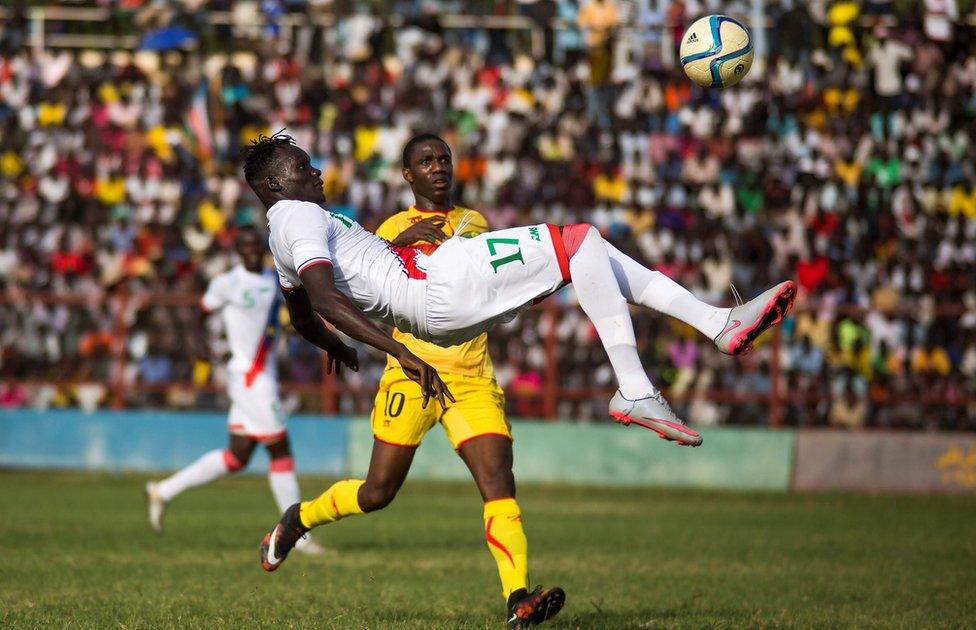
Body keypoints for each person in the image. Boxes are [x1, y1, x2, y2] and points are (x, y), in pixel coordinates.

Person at [246, 132, 794, 592]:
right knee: (580, 242)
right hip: (436, 298)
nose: (315, 170)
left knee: (586, 247)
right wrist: (396, 350)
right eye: (302, 166)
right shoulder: (297, 215)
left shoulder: (286, 230)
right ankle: (650, 376)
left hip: (441, 306)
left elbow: (301, 314)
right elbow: (320, 298)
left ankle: (714, 327)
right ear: (275, 185)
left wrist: (341, 345)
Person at [362, 134, 562, 627]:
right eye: (425, 161)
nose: (438, 167)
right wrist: (397, 246)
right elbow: (365, 287)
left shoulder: (476, 225)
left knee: (498, 480)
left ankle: (518, 597)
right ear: (407, 176)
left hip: (471, 377)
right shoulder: (389, 228)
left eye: (443, 159)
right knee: (377, 494)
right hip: (411, 374)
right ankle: (298, 519)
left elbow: (493, 292)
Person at [145, 226, 325, 556]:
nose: (251, 250)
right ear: (238, 251)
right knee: (280, 451)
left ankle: (163, 491)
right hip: (250, 377)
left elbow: (283, 319)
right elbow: (197, 315)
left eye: (256, 245)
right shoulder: (227, 283)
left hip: (262, 372)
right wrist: (200, 347)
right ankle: (298, 536)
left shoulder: (274, 280)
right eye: (245, 246)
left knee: (237, 456)